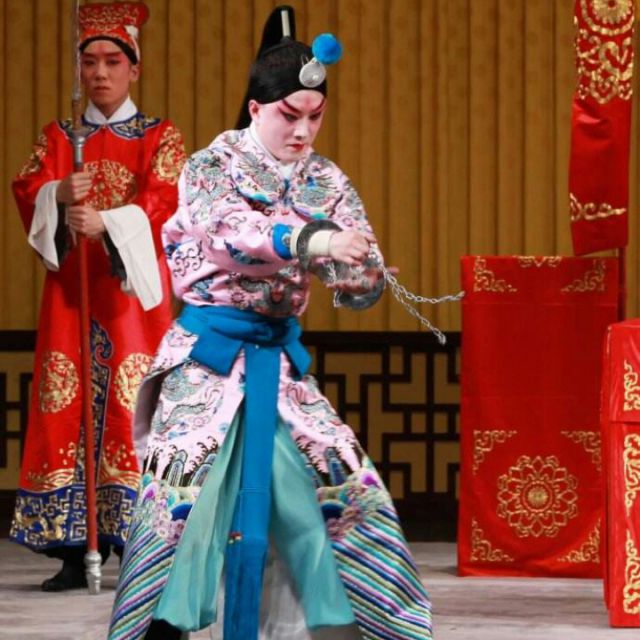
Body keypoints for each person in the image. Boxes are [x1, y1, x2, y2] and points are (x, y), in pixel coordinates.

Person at [108, 6, 432, 640]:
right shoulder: (211, 165)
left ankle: (349, 625)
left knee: (334, 490)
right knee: (187, 512)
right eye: (290, 115)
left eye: (315, 116)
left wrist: (363, 273)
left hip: (279, 371)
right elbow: (230, 235)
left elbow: (350, 270)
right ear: (256, 108)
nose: (303, 130)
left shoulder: (326, 179)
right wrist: (313, 240)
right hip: (207, 368)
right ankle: (162, 629)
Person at [10, 1, 187, 592]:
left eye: (113, 61)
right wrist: (58, 194)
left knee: (131, 410)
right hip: (71, 298)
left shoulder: (160, 136)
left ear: (134, 68)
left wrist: (108, 223)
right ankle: (72, 547)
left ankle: (139, 545)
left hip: (131, 303)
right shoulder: (60, 137)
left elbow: (166, 199)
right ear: (78, 69)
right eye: (90, 62)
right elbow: (27, 185)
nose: (101, 73)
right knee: (68, 405)